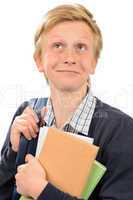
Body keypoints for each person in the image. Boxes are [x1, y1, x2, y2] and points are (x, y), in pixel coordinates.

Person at [0, 3, 133, 200]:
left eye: (80, 47)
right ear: (38, 60)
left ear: (94, 62)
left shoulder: (121, 130)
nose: (69, 58)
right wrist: (13, 153)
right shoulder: (27, 113)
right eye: (57, 46)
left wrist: (41, 190)